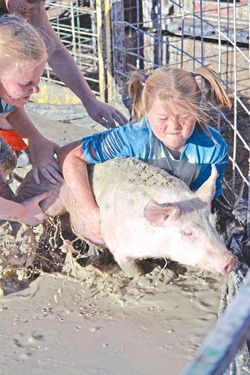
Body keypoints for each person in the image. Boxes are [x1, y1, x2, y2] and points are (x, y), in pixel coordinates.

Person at [58, 66, 231, 241]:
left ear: (197, 111)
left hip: (175, 218)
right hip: (132, 213)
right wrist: (90, 213)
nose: (174, 126)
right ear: (147, 112)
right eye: (163, 119)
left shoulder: (213, 148)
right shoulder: (133, 139)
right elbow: (70, 155)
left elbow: (203, 200)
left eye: (185, 116)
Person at [0, 0, 127, 129]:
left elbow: (56, 52)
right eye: (31, 0)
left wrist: (90, 101)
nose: (36, 8)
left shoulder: (31, 7)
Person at [0, 14, 54, 225]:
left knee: (6, 157)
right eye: (27, 83)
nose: (36, 89)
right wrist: (21, 212)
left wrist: (36, 140)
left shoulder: (8, 90)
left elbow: (10, 108)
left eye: (37, 80)